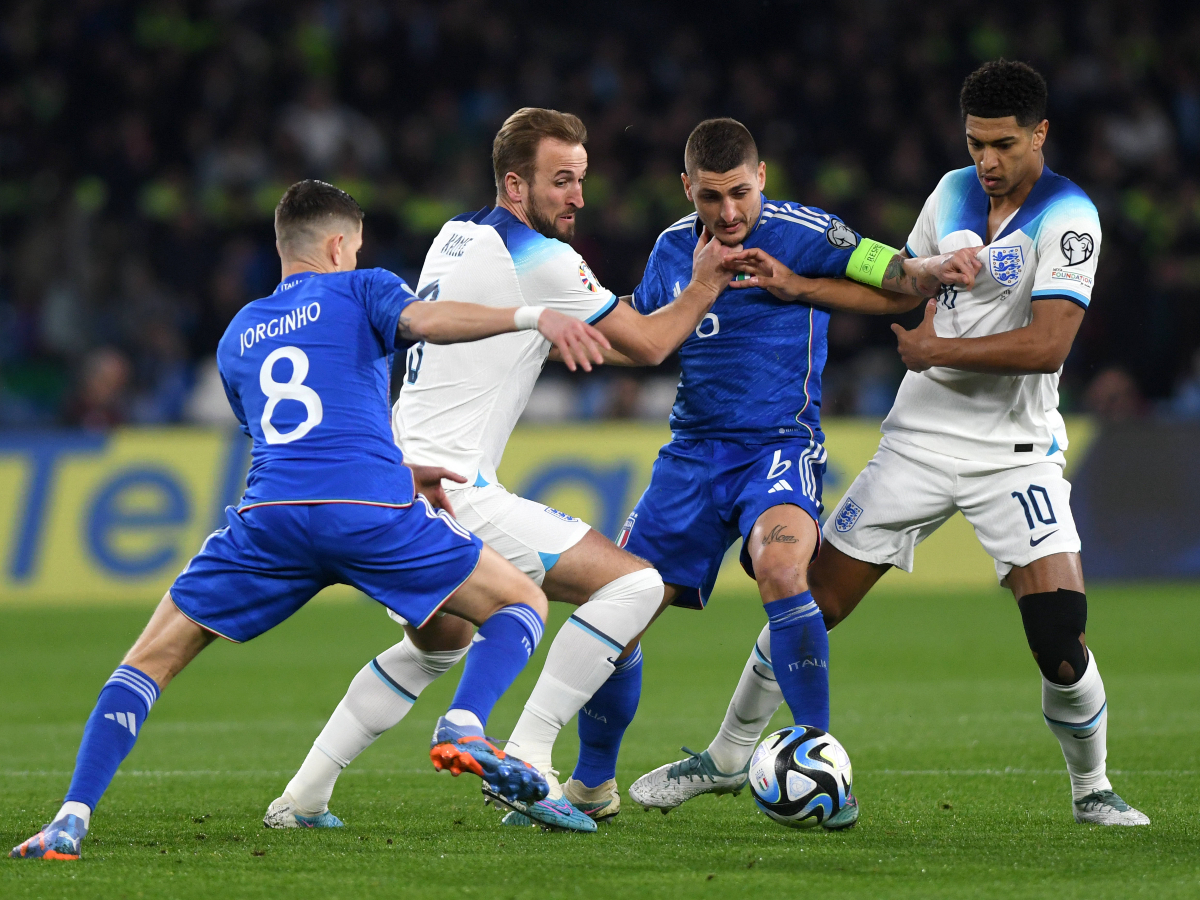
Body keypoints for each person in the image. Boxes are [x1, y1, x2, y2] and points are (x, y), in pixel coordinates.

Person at [10, 179, 614, 861]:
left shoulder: (238, 334)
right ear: (337, 246)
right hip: (367, 513)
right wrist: (532, 317)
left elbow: (296, 434)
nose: (355, 259)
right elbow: (428, 324)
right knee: (520, 602)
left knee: (147, 663)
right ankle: (465, 723)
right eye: (353, 249)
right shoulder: (363, 289)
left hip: (269, 520)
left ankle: (70, 819)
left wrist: (398, 466)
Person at [634, 60, 1149, 827]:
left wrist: (937, 351)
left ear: (1040, 135)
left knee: (1058, 634)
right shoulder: (950, 192)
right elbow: (903, 289)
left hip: (1014, 452)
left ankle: (1092, 788)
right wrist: (797, 285)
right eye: (976, 143)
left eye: (1004, 145)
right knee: (810, 600)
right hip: (916, 441)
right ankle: (726, 757)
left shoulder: (1071, 216)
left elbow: (1048, 347)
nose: (988, 161)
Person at [264, 109, 739, 834]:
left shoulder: (457, 235)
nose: (578, 197)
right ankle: (529, 757)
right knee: (636, 585)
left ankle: (301, 799)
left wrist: (598, 328)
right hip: (456, 490)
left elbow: (569, 339)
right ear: (516, 185)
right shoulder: (540, 258)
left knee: (437, 645)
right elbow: (644, 346)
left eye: (581, 179)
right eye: (560, 181)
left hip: (400, 484)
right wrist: (703, 285)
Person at [551, 117, 978, 832]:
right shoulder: (668, 250)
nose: (728, 212)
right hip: (689, 455)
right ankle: (593, 784)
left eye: (740, 194)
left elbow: (901, 278)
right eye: (711, 197)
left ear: (764, 180)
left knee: (784, 570)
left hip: (777, 447)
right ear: (687, 188)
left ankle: (821, 756)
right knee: (616, 612)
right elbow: (640, 334)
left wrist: (920, 273)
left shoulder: (806, 231)